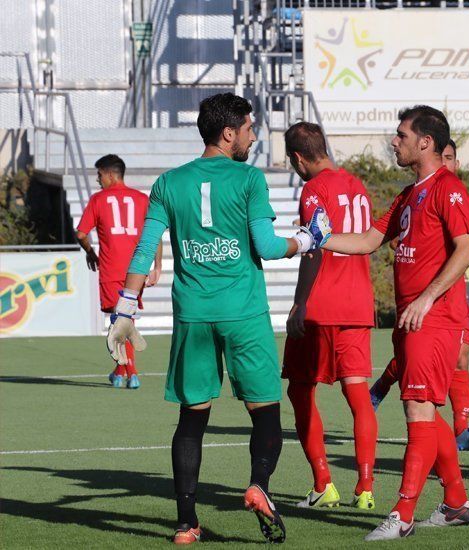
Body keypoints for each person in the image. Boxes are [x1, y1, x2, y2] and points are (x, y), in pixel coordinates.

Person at [105, 93, 323, 544]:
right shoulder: (248, 178)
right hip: (243, 314)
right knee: (264, 411)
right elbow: (265, 246)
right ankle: (259, 485)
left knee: (192, 419)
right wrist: (305, 240)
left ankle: (186, 524)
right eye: (249, 128)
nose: (253, 135)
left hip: (194, 317)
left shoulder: (168, 182)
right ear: (229, 134)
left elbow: (144, 249)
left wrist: (125, 305)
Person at [320, 106, 469, 541]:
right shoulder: (411, 194)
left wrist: (427, 298)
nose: (395, 141)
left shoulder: (449, 189)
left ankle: (402, 514)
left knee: (417, 412)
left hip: (434, 319)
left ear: (425, 142)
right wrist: (315, 238)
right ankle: (457, 503)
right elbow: (370, 240)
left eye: (401, 135)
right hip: (412, 320)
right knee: (425, 413)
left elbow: (466, 248)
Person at [368, 139, 469, 451]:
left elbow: (460, 244)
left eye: (453, 158)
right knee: (419, 396)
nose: (449, 164)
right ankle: (383, 387)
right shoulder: (424, 191)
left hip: (449, 296)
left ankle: (461, 429)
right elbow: (395, 238)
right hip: (429, 299)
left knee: (460, 358)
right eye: (447, 157)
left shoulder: (451, 190)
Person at [280, 121, 379, 510]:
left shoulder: (313, 189)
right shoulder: (356, 184)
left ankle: (324, 483)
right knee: (358, 395)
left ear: (298, 157)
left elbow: (314, 247)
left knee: (300, 391)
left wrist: (299, 302)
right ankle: (366, 488)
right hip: (357, 303)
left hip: (322, 306)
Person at [75, 154, 162, 389]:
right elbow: (155, 233)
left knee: (120, 321)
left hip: (112, 269)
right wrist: (158, 267)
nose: (97, 180)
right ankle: (120, 371)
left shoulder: (99, 199)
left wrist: (91, 253)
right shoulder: (141, 199)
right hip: (137, 271)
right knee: (125, 319)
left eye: (99, 175)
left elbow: (81, 234)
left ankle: (131, 373)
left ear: (111, 174)